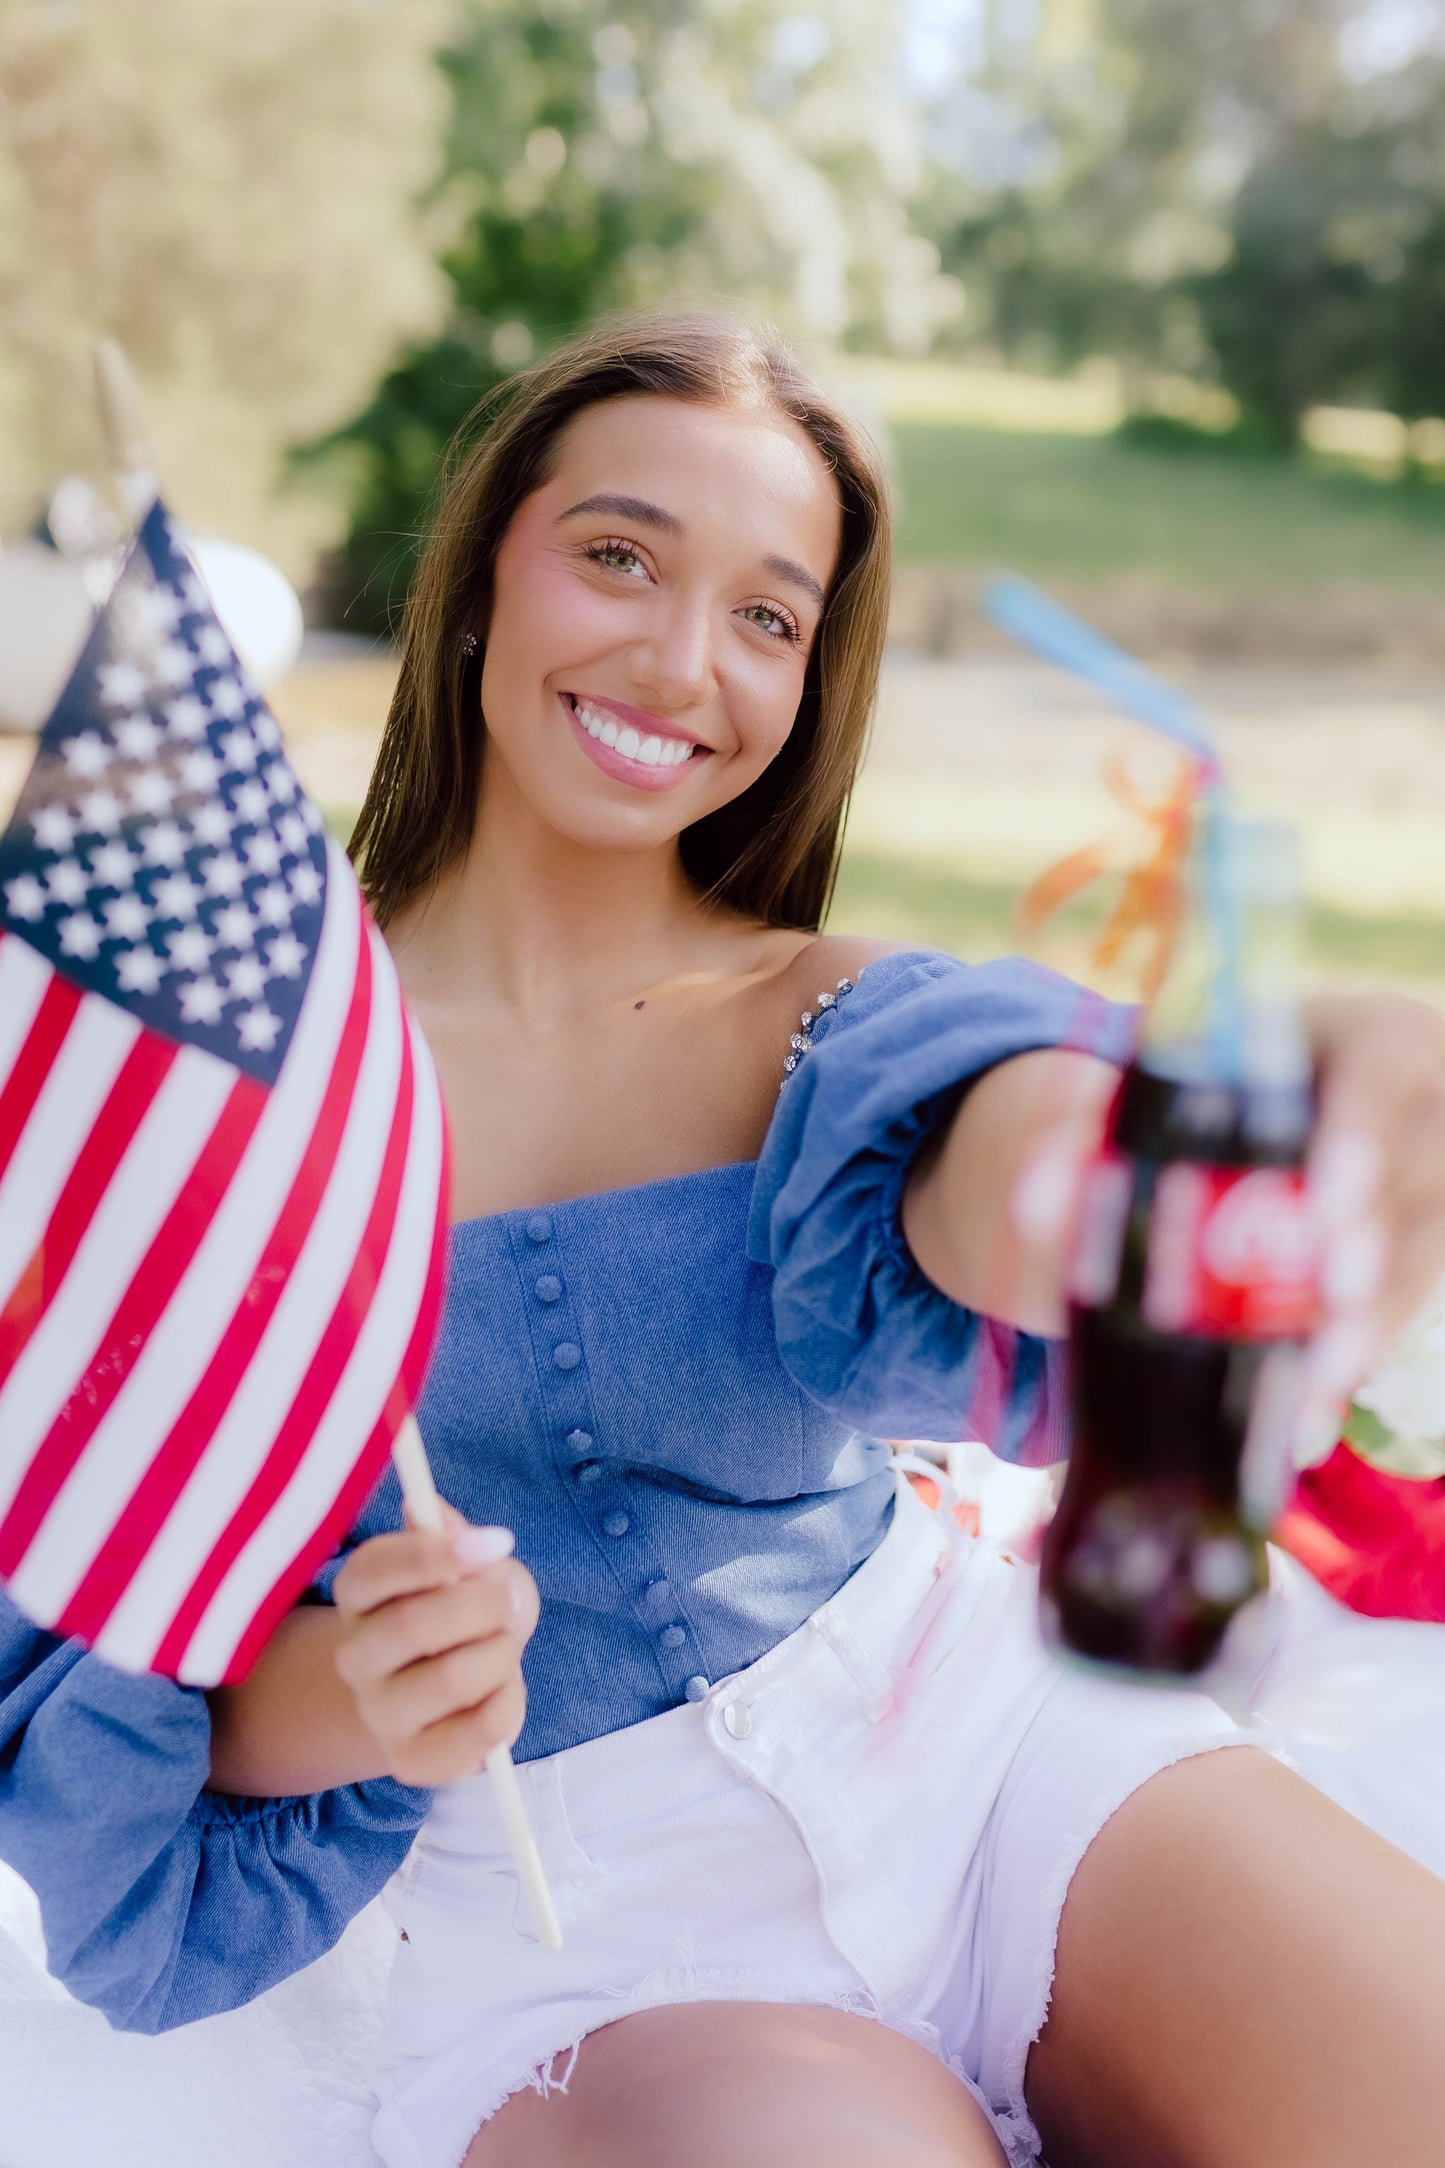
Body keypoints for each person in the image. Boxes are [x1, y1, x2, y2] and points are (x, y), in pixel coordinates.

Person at [5, 313, 1445, 2168]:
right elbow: (125, 1667)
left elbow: (1011, 1169)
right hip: (577, 1944)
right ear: (479, 580)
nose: (684, 660)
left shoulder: (829, 1012)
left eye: (769, 615)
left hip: (1001, 1762)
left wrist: (1183, 1154)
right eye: (618, 555)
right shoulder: (222, 1096)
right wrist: (357, 1689)